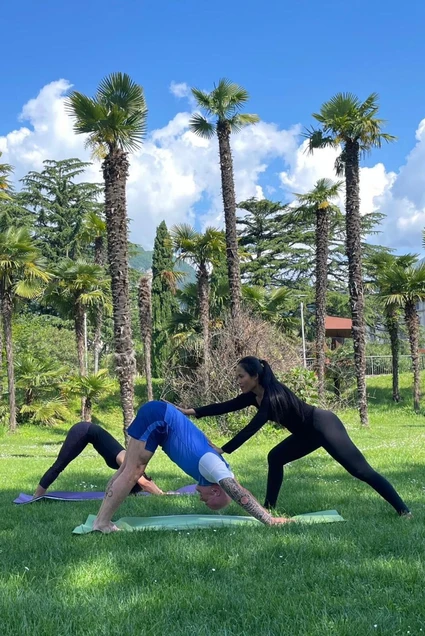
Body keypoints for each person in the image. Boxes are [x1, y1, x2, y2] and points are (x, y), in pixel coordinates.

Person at [175, 356, 411, 517]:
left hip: (323, 425)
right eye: (236, 377)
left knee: (361, 471)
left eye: (241, 377)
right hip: (305, 433)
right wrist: (192, 412)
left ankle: (404, 511)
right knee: (275, 457)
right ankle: (269, 508)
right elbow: (225, 406)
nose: (238, 382)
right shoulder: (253, 395)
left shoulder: (273, 395)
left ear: (255, 375)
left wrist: (224, 449)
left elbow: (254, 426)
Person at [92, 400, 292, 532]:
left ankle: (101, 521)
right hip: (159, 418)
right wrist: (268, 519)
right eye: (206, 500)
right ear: (215, 491)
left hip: (159, 417)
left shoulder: (215, 471)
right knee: (132, 472)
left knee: (126, 469)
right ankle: (101, 523)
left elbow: (236, 486)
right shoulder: (213, 468)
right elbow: (237, 492)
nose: (200, 498)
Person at [33, 421, 163, 499]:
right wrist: (161, 494)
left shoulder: (127, 462)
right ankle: (37, 496)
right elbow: (145, 483)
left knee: (59, 465)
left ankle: (38, 493)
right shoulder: (126, 460)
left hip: (87, 432)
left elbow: (143, 481)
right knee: (59, 465)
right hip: (82, 431)